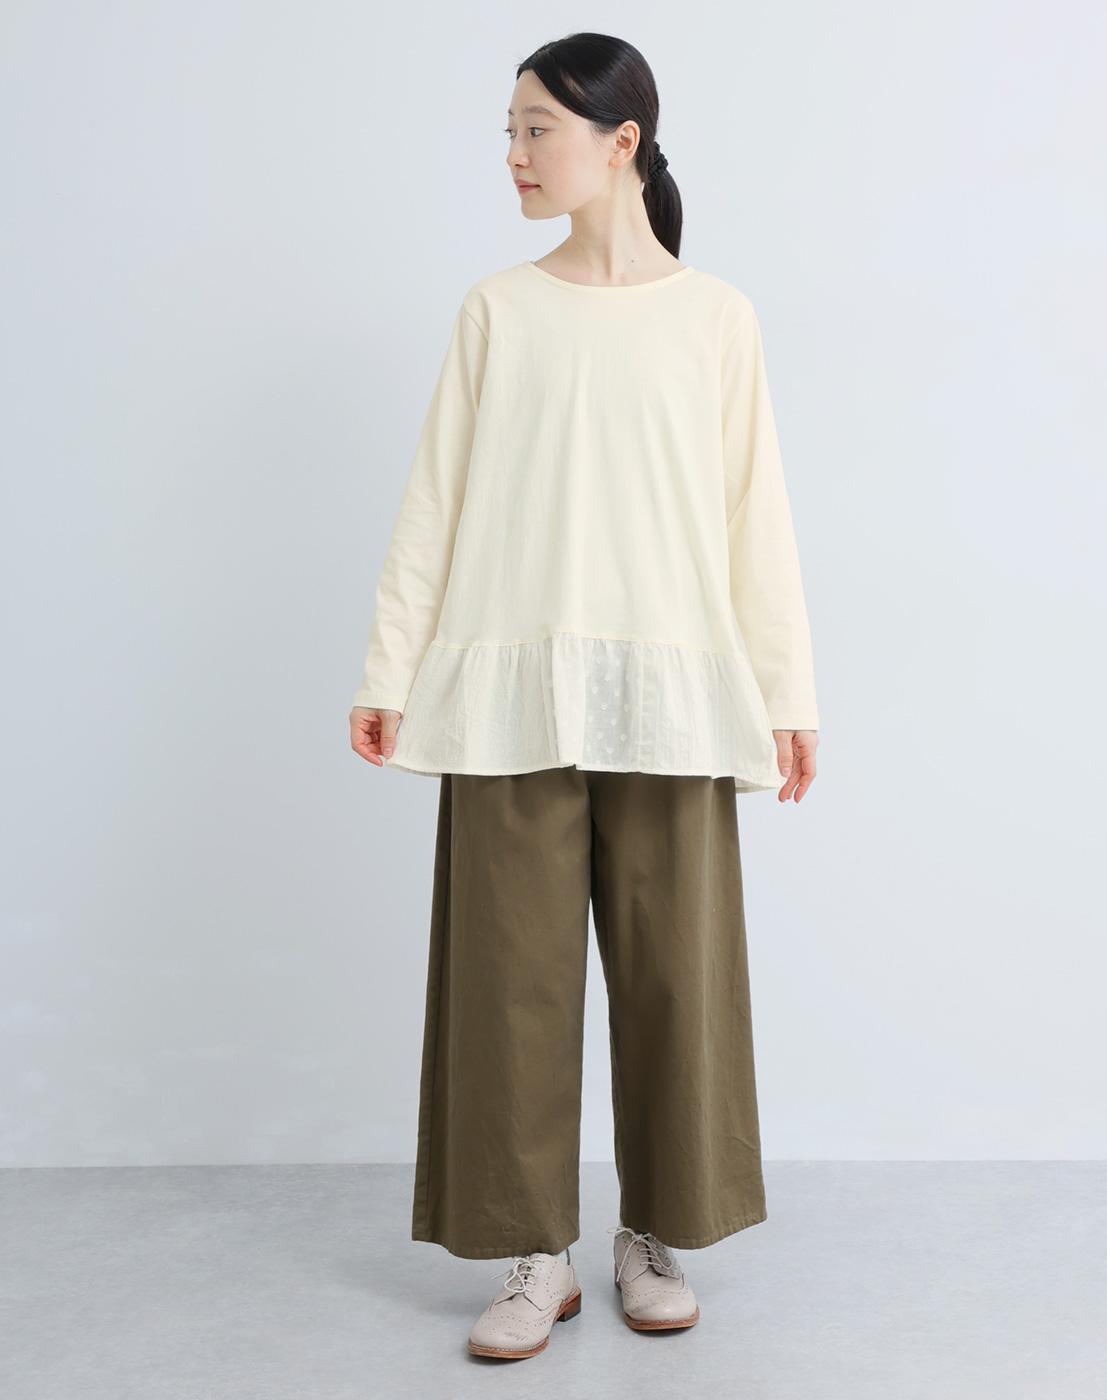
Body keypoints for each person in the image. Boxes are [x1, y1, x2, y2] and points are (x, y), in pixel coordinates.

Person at [348, 31, 821, 1362]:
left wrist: (787, 693)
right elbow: (435, 505)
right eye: (508, 131)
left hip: (675, 693)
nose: (513, 154)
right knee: (510, 986)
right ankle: (533, 1252)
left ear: (621, 143)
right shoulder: (497, 311)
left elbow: (755, 521)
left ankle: (655, 1230)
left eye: (536, 129)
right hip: (507, 690)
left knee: (677, 981)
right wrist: (389, 667)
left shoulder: (715, 317)